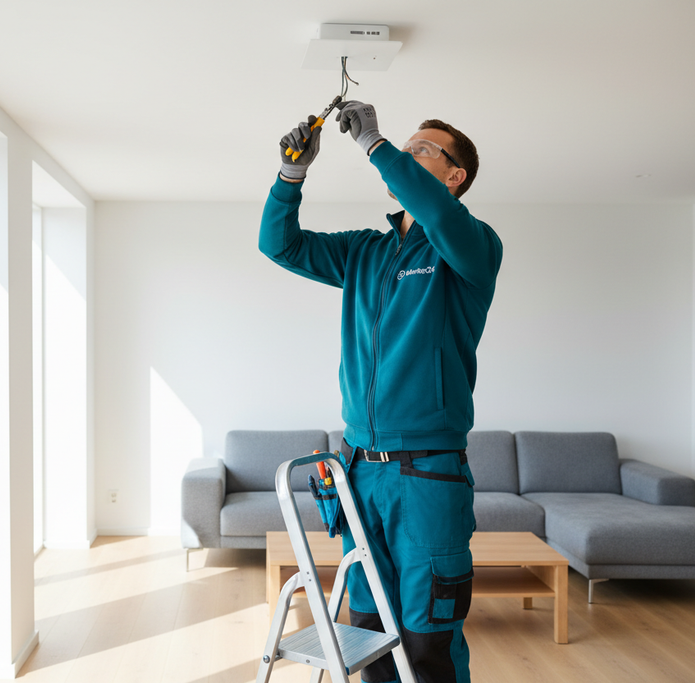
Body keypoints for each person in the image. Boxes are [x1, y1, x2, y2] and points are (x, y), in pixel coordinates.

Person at [259, 100, 503, 683]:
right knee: (368, 641)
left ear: (454, 177)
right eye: (404, 147)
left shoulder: (470, 246)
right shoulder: (365, 251)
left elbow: (440, 219)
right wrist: (292, 175)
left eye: (421, 149)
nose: (403, 152)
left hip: (427, 479)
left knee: (427, 646)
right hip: (358, 474)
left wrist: (374, 144)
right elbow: (280, 244)